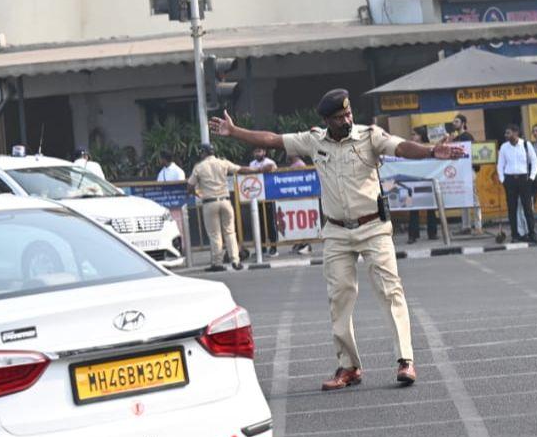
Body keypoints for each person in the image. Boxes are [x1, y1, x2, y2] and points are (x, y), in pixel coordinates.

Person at [208, 90, 458, 390]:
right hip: (337, 232)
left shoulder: (369, 136)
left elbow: (401, 147)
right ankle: (349, 366)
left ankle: (405, 360)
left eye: (348, 114)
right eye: (340, 117)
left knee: (391, 292)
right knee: (339, 298)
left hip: (373, 228)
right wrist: (235, 132)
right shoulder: (314, 141)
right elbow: (273, 139)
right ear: (326, 120)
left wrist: (430, 151)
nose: (347, 120)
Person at [188, 145, 259, 272]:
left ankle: (217, 263)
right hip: (225, 201)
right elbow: (241, 169)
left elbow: (190, 186)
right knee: (230, 232)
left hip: (209, 203)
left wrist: (197, 193)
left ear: (203, 153)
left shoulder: (199, 167)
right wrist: (260, 169)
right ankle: (235, 261)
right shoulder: (223, 163)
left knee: (215, 234)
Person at [498, 124, 537, 245]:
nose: (506, 135)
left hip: (524, 179)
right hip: (510, 180)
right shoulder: (504, 147)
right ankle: (515, 235)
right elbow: (500, 165)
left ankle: (532, 233)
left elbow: (534, 162)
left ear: (516, 133)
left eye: (509, 133)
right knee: (512, 209)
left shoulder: (526, 145)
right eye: (506, 133)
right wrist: (503, 180)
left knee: (528, 208)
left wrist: (531, 178)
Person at [406, 128, 439, 244]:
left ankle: (432, 233)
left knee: (430, 208)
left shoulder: (427, 148)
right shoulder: (408, 148)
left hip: (425, 181)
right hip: (411, 183)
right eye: (411, 134)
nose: (412, 137)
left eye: (414, 134)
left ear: (421, 136)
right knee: (412, 209)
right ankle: (412, 235)